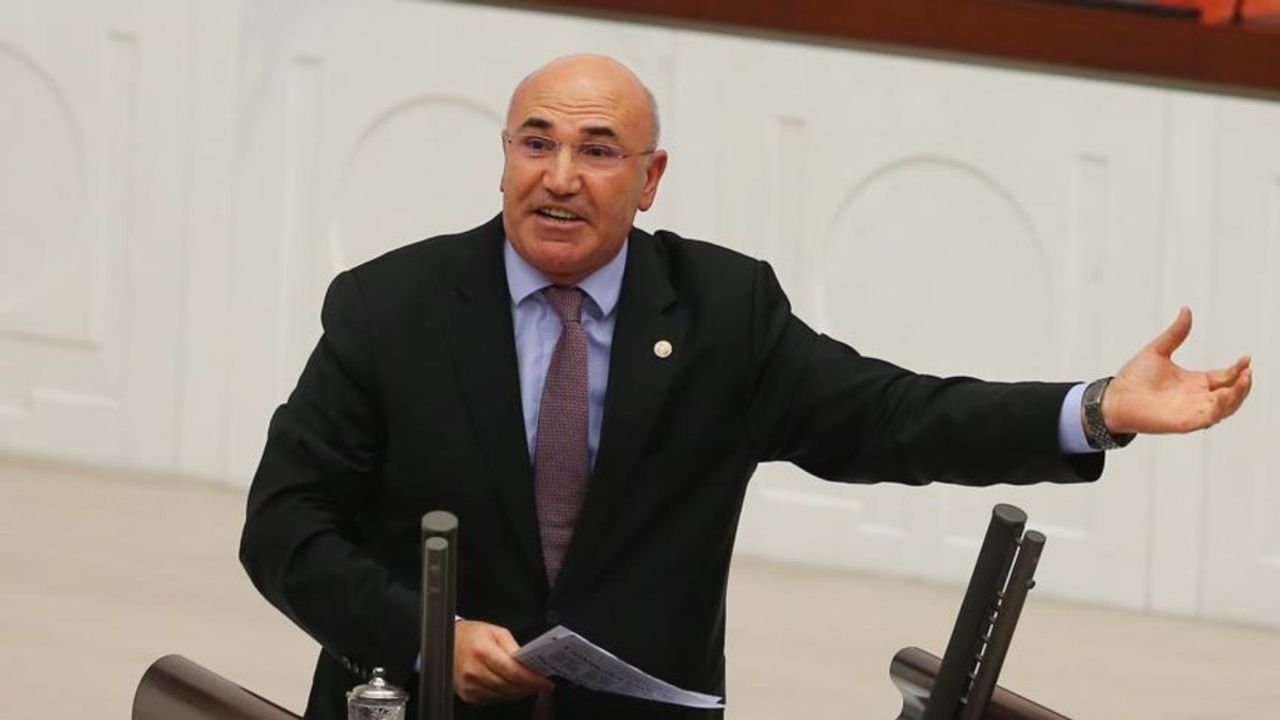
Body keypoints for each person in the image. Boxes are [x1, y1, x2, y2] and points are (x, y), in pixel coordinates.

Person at [239, 54, 1252, 720]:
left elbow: (893, 416)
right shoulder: (390, 307)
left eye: (598, 151)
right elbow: (283, 525)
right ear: (502, 158)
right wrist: (425, 638)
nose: (560, 176)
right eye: (535, 142)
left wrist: (1092, 408)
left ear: (650, 179)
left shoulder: (723, 313)